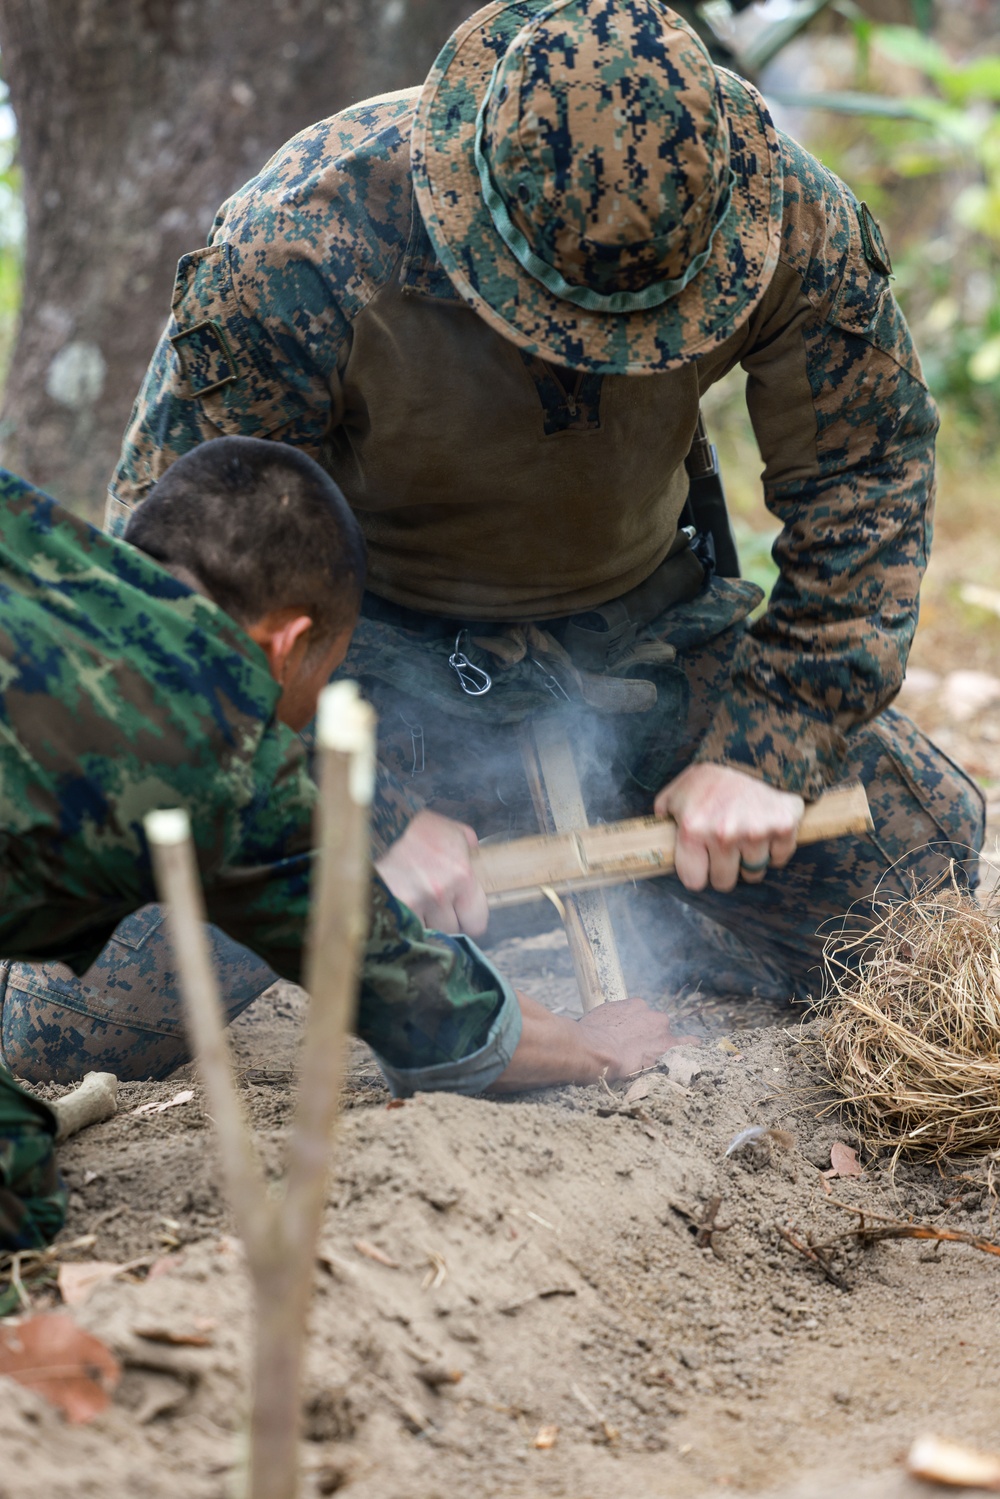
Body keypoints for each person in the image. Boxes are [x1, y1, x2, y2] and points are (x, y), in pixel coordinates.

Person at [105, 0, 983, 1003]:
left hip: (634, 632)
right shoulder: (303, 241)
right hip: (360, 660)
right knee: (82, 1007)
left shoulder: (781, 211)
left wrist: (770, 740)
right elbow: (171, 582)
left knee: (918, 871)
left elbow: (864, 471)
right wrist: (355, 811)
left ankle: (619, 898)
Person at [0, 438, 679, 1091]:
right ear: (288, 645)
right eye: (324, 674)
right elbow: (435, 1012)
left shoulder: (24, 524)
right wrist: (596, 1046)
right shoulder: (229, 763)